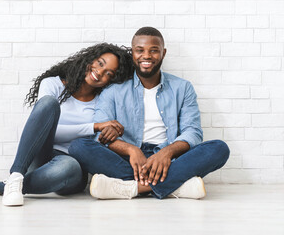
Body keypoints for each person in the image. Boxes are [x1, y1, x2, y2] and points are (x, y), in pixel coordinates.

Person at [0, 43, 133, 206]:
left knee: (70, 165)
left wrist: (105, 128)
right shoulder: (53, 84)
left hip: (72, 167)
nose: (100, 72)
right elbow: (45, 133)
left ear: (112, 80)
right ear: (89, 60)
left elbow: (90, 144)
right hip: (40, 155)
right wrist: (94, 126)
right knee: (48, 104)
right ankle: (16, 175)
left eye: (109, 73)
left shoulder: (102, 101)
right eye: (100, 63)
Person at [69, 27, 230, 200]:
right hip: (126, 159)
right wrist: (132, 150)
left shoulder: (182, 88)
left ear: (163, 53)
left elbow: (193, 132)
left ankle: (132, 188)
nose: (146, 56)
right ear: (133, 53)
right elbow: (101, 134)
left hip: (170, 160)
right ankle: (175, 186)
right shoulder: (113, 90)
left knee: (219, 148)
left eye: (154, 51)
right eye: (140, 50)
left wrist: (166, 153)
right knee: (78, 146)